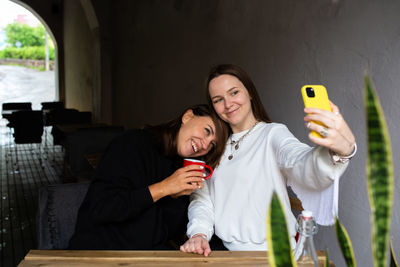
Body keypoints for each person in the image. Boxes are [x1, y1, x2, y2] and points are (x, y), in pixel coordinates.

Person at [180, 64, 356, 256]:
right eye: (218, 99)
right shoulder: (214, 147)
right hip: (228, 256)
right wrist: (198, 233)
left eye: (234, 92)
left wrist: (339, 151)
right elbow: (203, 200)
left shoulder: (272, 134)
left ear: (250, 93)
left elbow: (299, 162)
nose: (228, 104)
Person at [68, 104, 229, 250]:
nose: (205, 145)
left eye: (212, 145)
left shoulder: (181, 170)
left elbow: (167, 229)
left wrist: (201, 237)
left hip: (146, 256)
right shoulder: (133, 143)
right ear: (187, 117)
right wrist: (164, 188)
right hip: (99, 252)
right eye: (207, 131)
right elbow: (102, 208)